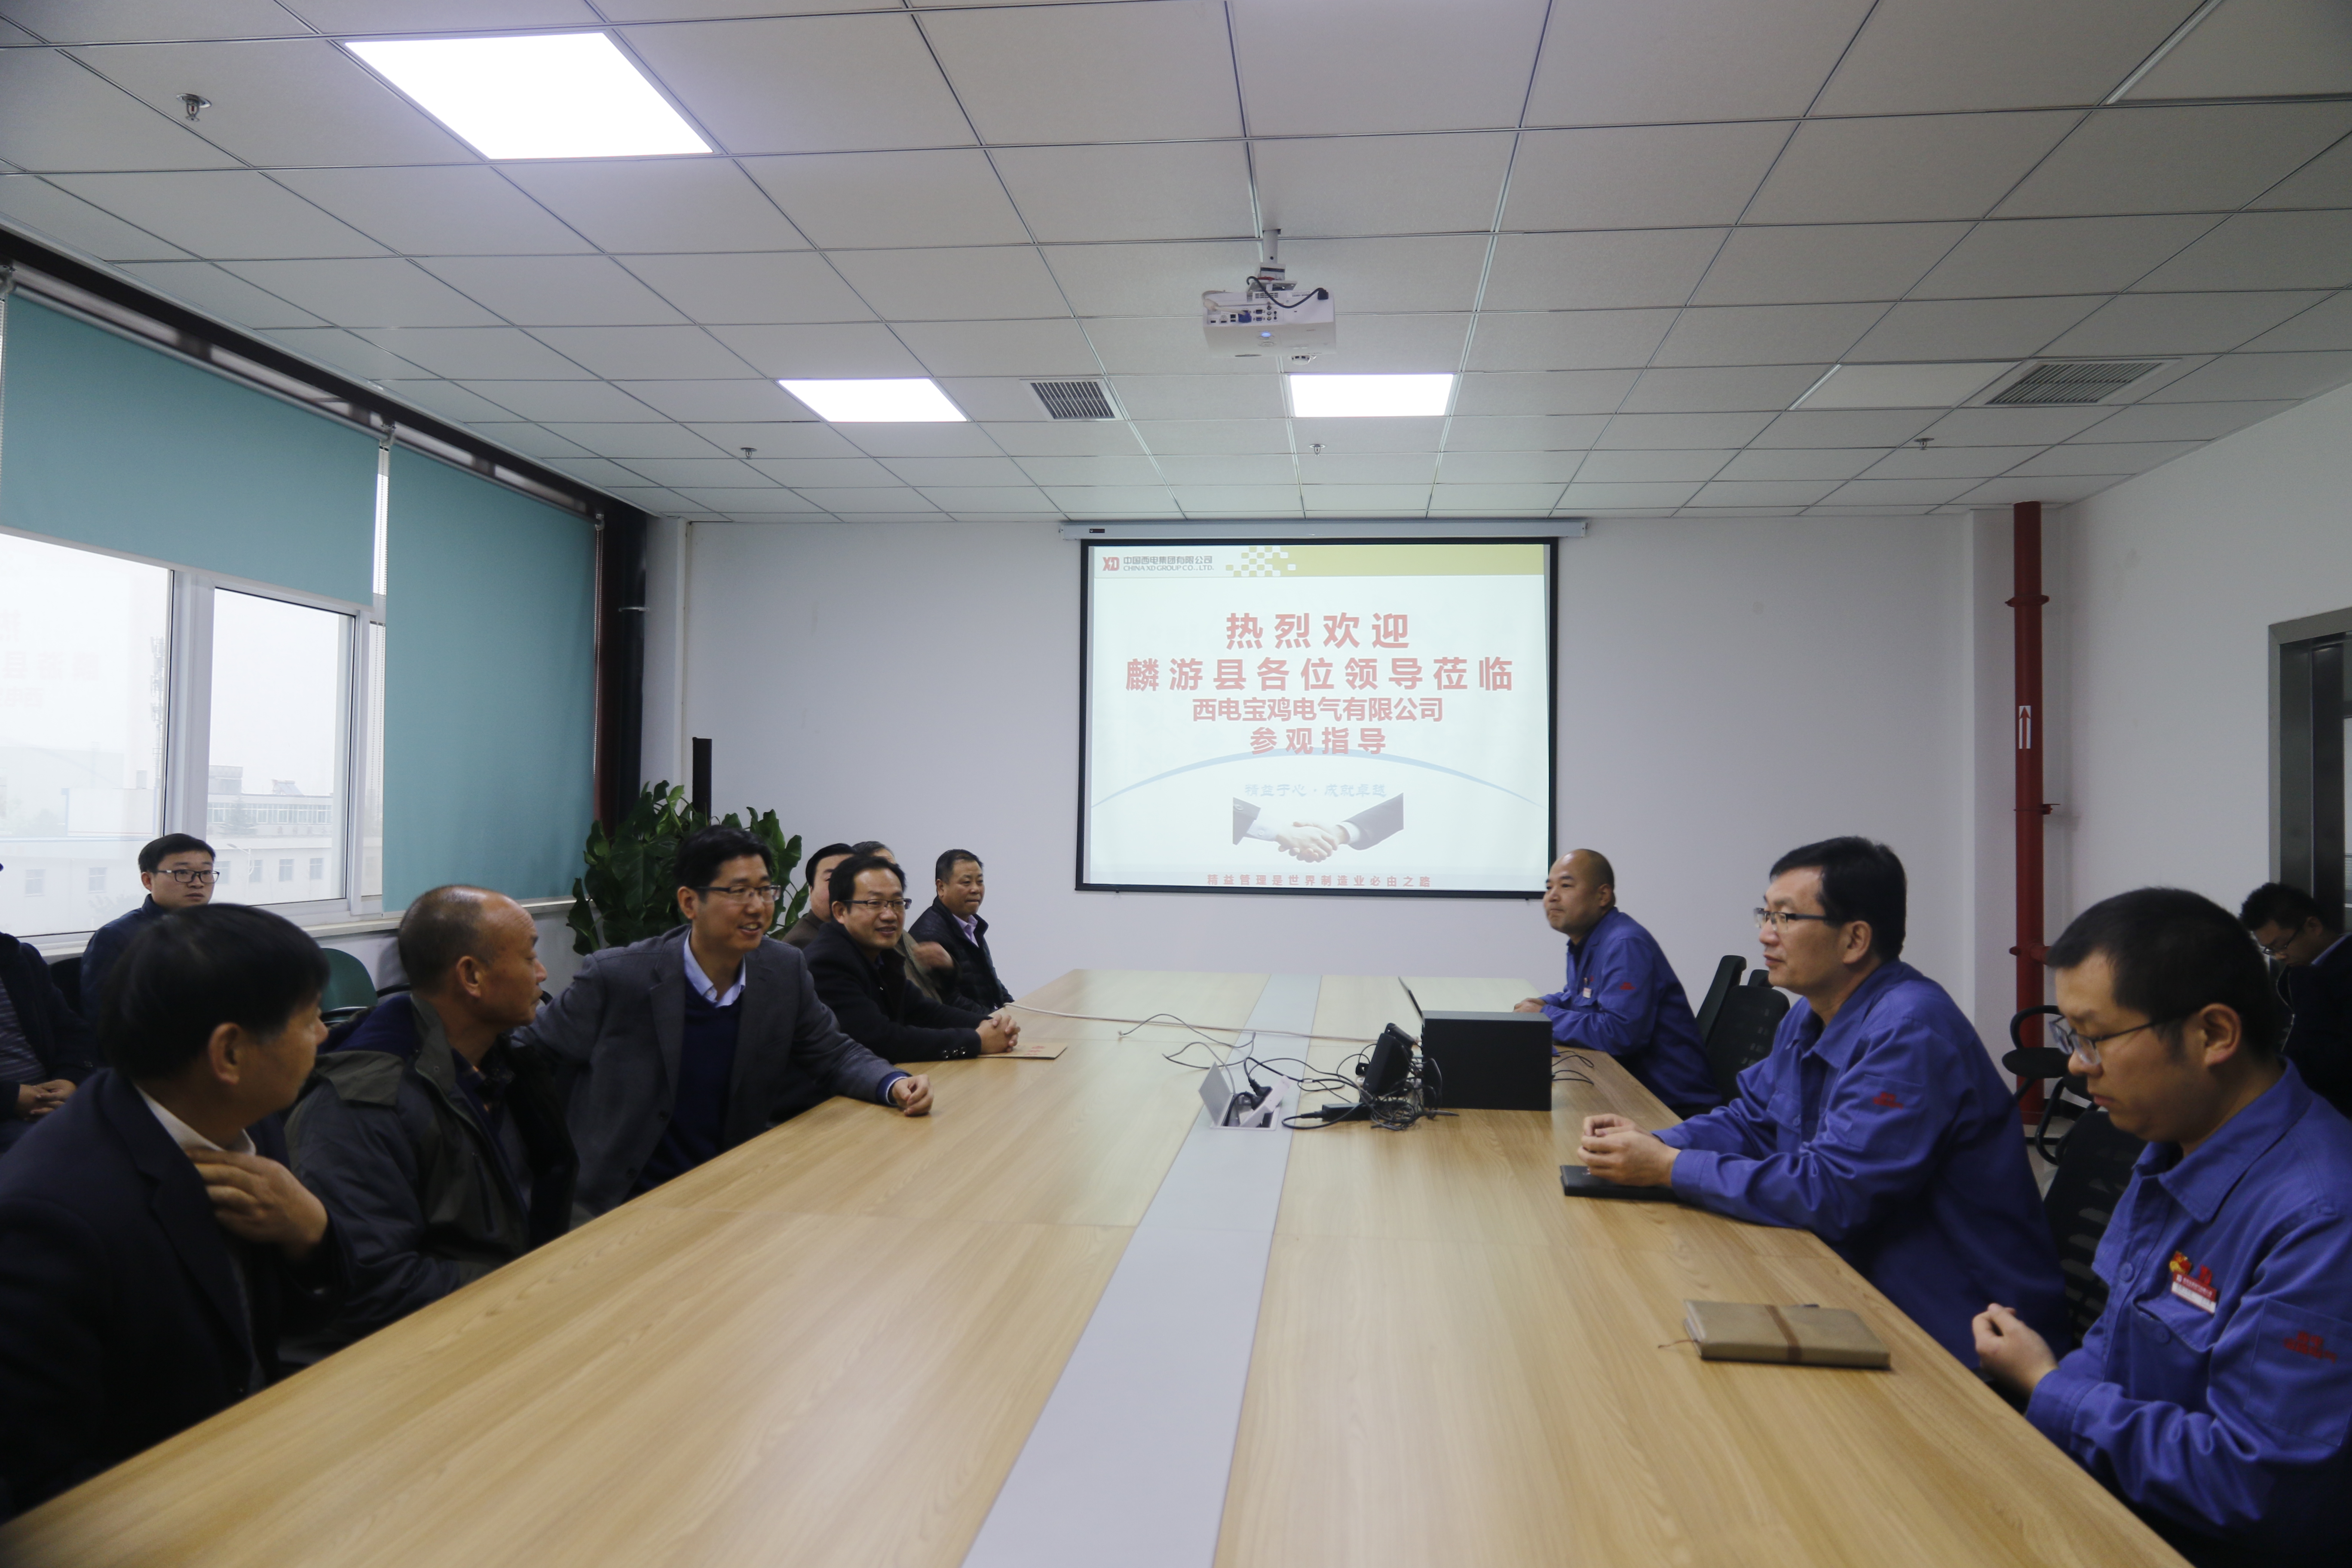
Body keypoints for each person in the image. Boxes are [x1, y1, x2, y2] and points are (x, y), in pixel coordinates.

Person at [1976, 888, 2352, 1568]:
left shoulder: (2320, 1219)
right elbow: (2117, 1341)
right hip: (2113, 1507)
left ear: (2214, 1035)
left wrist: (2050, 1389)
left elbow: (2256, 1486)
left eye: (2095, 1037)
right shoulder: (2174, 1146)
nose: (2077, 1064)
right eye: (2071, 1037)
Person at [1579, 836, 2064, 1363]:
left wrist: (1670, 1166)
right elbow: (1754, 1122)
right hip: (1849, 1279)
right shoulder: (1810, 1014)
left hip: (1962, 1331)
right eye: (1765, 914)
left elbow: (1833, 1194)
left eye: (1786, 918)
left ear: (1855, 939)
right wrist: (1651, 1143)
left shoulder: (1910, 1031)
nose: (1766, 933)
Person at [0, 904, 351, 1515]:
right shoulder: (50, 1216)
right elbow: (41, 1481)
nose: (324, 1035)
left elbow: (290, 1326)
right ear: (230, 1054)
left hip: (268, 1454)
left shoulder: (248, 1119)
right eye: (310, 1018)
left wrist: (311, 1233)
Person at [518, 826, 928, 1220]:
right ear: (689, 902)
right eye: (738, 892)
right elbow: (526, 1057)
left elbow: (834, 1053)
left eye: (765, 890)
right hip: (613, 1201)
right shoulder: (619, 977)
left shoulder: (782, 970)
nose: (757, 906)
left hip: (727, 1192)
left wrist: (893, 1084)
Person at [284, 887, 576, 1355]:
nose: (542, 973)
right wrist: (537, 1284)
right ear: (472, 976)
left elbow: (543, 1201)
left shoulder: (509, 1064)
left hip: (503, 1316)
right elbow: (376, 1282)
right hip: (407, 1354)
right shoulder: (362, 1102)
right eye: (529, 957)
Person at [1513, 850, 1722, 1117]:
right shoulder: (1588, 941)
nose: (1552, 896)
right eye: (1548, 887)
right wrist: (1544, 1003)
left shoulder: (1625, 944)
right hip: (1627, 1091)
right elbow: (1579, 998)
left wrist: (1545, 1015)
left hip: (1670, 1107)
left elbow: (1620, 1034)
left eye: (1565, 886)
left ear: (1603, 896)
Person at [807, 855, 1018, 1063]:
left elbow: (923, 1011)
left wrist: (991, 1024)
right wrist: (976, 1041)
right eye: (875, 903)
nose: (890, 915)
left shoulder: (883, 953)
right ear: (841, 911)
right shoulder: (827, 962)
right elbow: (881, 1040)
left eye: (897, 903)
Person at [2239, 881, 2351, 1117]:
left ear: (2313, 926)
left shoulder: (2342, 970)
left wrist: (2290, 1072)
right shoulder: (2300, 973)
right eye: (2270, 950)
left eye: (2282, 945)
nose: (2280, 956)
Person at [80, 833, 218, 1018]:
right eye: (182, 873)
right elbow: (107, 1015)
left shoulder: (222, 930)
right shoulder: (118, 937)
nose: (198, 883)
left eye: (206, 873)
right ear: (148, 881)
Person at [2, 889, 95, 1158]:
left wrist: (70, 1079)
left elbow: (71, 1030)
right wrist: (11, 1098)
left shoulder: (18, 959)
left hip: (52, 1096)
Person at [910, 849, 1015, 1015]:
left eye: (980, 882)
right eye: (966, 883)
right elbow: (949, 1002)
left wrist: (1015, 1010)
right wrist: (997, 1019)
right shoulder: (929, 934)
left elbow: (990, 980)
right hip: (971, 1027)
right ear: (941, 887)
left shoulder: (972, 924)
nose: (976, 889)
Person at [779, 842, 855, 949]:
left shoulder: (855, 935)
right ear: (811, 890)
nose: (843, 886)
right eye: (831, 879)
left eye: (852, 878)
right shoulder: (804, 943)